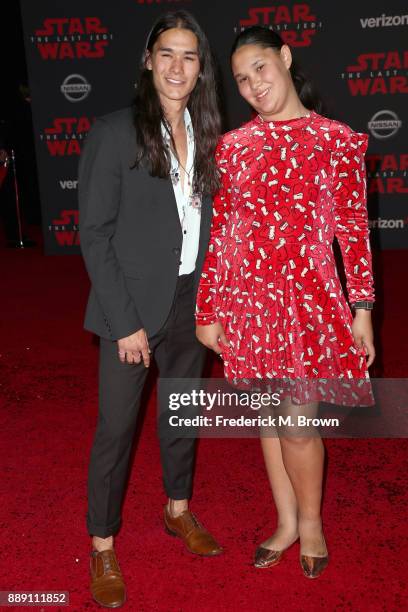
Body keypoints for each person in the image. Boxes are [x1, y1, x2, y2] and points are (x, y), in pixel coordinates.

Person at [196, 26, 375, 579]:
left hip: (309, 303)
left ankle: (314, 524)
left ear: (286, 58)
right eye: (242, 79)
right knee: (270, 419)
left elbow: (353, 230)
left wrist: (363, 309)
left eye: (260, 68)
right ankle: (287, 521)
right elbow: (223, 234)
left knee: (298, 422)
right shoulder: (234, 147)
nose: (253, 85)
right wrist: (209, 310)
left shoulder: (337, 140)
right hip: (252, 303)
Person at [79, 10, 223, 608]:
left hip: (191, 300)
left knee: (181, 414)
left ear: (200, 70)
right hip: (131, 309)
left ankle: (177, 509)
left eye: (189, 56)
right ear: (148, 60)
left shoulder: (210, 133)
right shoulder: (114, 133)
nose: (177, 66)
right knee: (116, 430)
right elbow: (95, 234)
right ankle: (103, 544)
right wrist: (125, 322)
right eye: (167, 53)